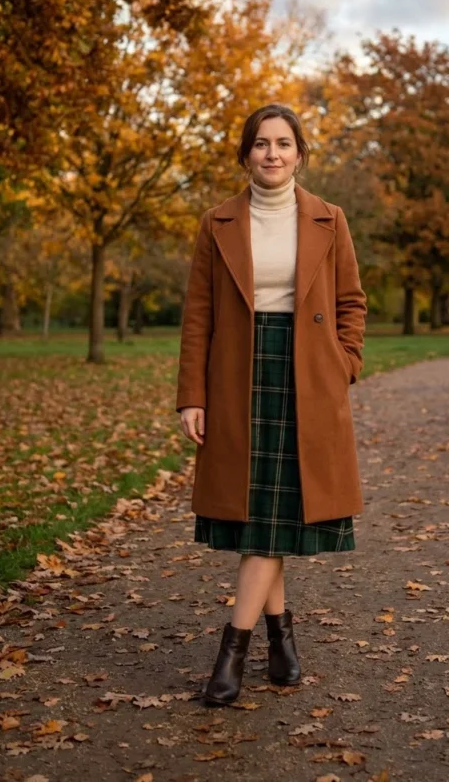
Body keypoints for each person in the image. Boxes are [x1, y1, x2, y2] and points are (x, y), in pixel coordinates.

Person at [176, 103, 367, 706]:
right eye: (261, 144)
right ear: (246, 154)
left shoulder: (329, 221)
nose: (273, 154)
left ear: (300, 153)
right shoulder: (217, 223)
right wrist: (192, 396)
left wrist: (344, 363)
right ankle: (280, 640)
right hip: (239, 375)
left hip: (308, 373)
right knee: (264, 518)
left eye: (284, 143)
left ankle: (231, 651)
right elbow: (198, 315)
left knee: (269, 521)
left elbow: (352, 303)